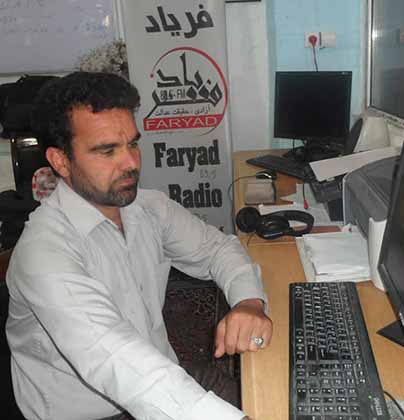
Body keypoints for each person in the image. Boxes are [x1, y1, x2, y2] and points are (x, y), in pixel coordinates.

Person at [6, 72, 273, 420]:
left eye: (132, 143)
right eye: (107, 151)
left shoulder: (147, 207)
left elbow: (218, 249)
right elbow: (116, 359)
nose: (131, 162)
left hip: (164, 376)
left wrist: (249, 303)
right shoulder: (44, 253)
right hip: (94, 411)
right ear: (60, 161)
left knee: (278, 396)